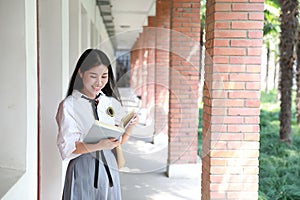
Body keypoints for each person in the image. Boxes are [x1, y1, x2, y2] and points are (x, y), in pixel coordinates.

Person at [56, 48, 138, 200]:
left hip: (109, 169)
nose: (99, 82)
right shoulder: (69, 106)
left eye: (104, 76)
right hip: (84, 170)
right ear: (81, 73)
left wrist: (130, 125)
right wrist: (99, 145)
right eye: (93, 76)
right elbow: (68, 148)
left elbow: (119, 141)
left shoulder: (108, 102)